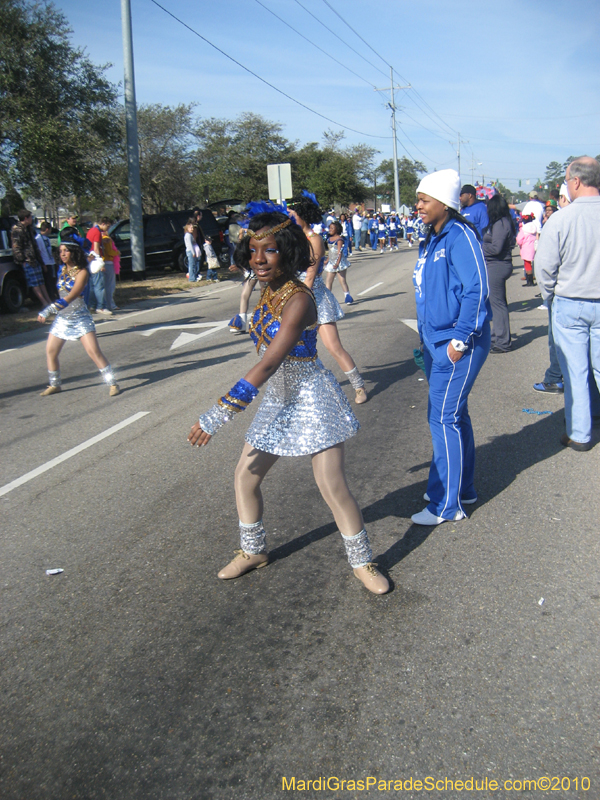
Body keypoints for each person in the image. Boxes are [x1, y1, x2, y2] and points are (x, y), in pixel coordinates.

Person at [187, 209, 388, 594]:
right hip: (279, 398)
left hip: (312, 397)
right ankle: (253, 551)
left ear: (288, 252)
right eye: (253, 250)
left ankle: (363, 562)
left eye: (270, 251)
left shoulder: (298, 300)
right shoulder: (269, 290)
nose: (258, 259)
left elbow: (269, 362)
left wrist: (217, 415)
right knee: (245, 476)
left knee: (331, 485)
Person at [411, 169, 491, 525]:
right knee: (453, 416)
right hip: (435, 342)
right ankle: (463, 486)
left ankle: (447, 504)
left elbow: (477, 290)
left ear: (444, 202)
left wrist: (459, 340)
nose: (418, 206)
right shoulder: (432, 236)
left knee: (444, 419)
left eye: (424, 200)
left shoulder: (459, 236)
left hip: (456, 342)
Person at [535, 156, 600, 451]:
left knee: (576, 370)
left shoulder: (561, 219)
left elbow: (545, 267)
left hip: (571, 300)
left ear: (575, 181)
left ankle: (580, 433)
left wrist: (549, 297)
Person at [287, 193, 367, 405]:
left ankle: (359, 386)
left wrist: (300, 303)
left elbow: (311, 276)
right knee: (294, 349)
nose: (289, 217)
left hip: (315, 299)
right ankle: (299, 390)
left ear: (302, 215)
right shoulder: (289, 238)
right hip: (294, 297)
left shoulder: (314, 240)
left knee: (333, 347)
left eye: (292, 213)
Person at [37, 241, 120, 397]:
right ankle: (55, 384)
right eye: (60, 251)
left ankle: (112, 383)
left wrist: (48, 310)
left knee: (94, 352)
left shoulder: (82, 273)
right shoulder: (61, 269)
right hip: (63, 318)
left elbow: (70, 296)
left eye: (66, 251)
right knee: (51, 351)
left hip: (80, 317)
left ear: (73, 253)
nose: (62, 254)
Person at [482, 194, 516, 353]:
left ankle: (502, 342)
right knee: (497, 304)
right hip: (497, 265)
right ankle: (497, 337)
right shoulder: (503, 222)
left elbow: (496, 248)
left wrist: (480, 248)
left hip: (498, 265)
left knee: (498, 305)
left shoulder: (501, 224)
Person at [11, 209, 52, 308]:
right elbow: (16, 247)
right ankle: (44, 302)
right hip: (27, 260)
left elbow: (34, 245)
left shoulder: (29, 229)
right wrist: (22, 260)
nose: (31, 219)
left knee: (41, 281)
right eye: (30, 217)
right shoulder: (17, 230)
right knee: (34, 283)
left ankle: (49, 301)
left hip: (35, 259)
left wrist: (41, 261)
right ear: (25, 218)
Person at [85, 218, 112, 314]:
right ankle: (101, 306)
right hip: (96, 260)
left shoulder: (91, 230)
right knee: (99, 285)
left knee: (93, 285)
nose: (108, 228)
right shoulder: (97, 232)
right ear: (103, 223)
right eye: (107, 226)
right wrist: (101, 263)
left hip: (90, 260)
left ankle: (92, 305)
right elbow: (96, 249)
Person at [324, 221, 354, 303]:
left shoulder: (339, 239)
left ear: (337, 230)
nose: (330, 229)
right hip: (331, 262)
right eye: (329, 228)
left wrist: (337, 263)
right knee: (328, 281)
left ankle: (347, 296)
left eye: (332, 228)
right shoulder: (329, 239)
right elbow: (331, 251)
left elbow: (339, 252)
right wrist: (327, 260)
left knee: (342, 280)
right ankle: (327, 299)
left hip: (339, 262)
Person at [35, 221, 58, 301]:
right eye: (50, 229)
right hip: (46, 263)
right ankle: (51, 297)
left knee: (54, 280)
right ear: (47, 229)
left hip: (51, 262)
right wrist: (43, 265)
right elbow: (39, 253)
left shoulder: (47, 238)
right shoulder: (38, 239)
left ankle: (56, 296)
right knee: (49, 282)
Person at [516, 213, 539, 287]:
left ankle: (530, 281)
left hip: (526, 247)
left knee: (527, 264)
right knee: (532, 263)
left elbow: (519, 239)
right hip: (533, 246)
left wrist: (520, 244)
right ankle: (532, 279)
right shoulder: (534, 228)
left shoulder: (524, 229)